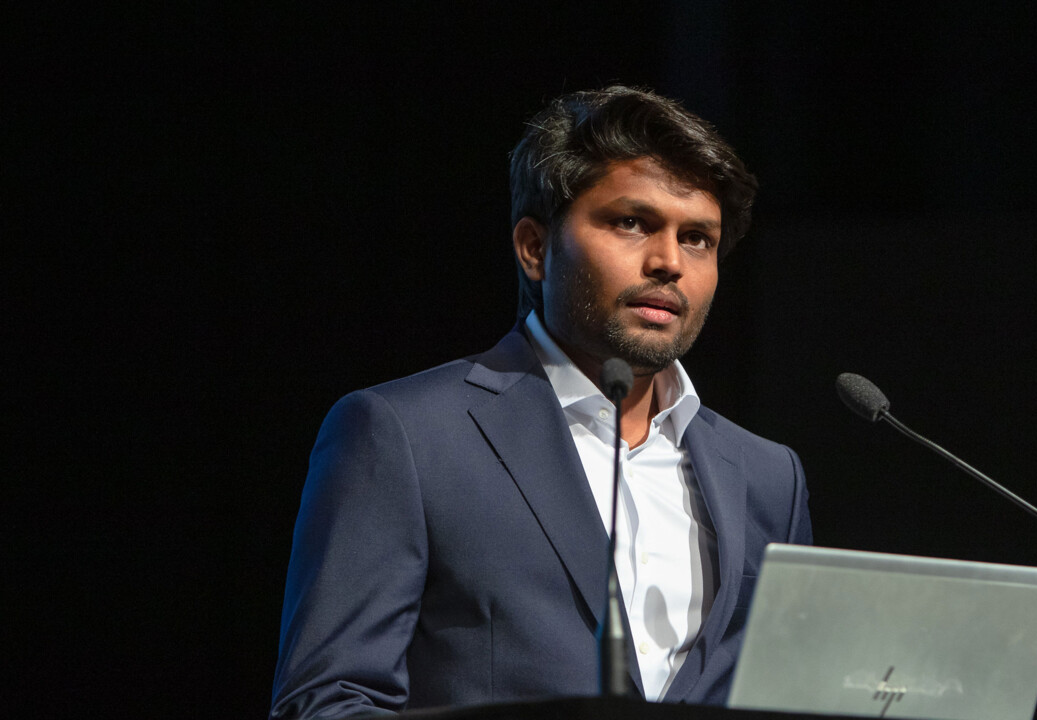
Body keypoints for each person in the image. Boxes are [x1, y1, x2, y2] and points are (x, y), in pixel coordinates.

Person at [270, 86, 813, 719]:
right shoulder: (406, 436)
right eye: (631, 222)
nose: (669, 261)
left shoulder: (769, 477)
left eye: (697, 238)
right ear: (535, 248)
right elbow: (327, 702)